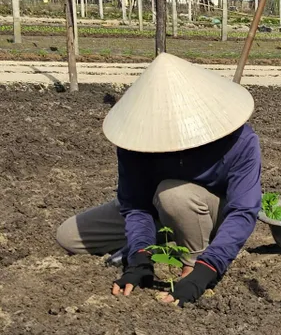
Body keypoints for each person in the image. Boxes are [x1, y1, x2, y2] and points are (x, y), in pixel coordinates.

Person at [56, 53, 262, 306]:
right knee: (69, 236)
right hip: (157, 209)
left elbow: (243, 211)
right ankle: (167, 238)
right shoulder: (134, 141)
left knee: (174, 195)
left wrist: (207, 269)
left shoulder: (239, 141)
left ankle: (192, 261)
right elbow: (136, 206)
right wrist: (140, 257)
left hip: (210, 213)